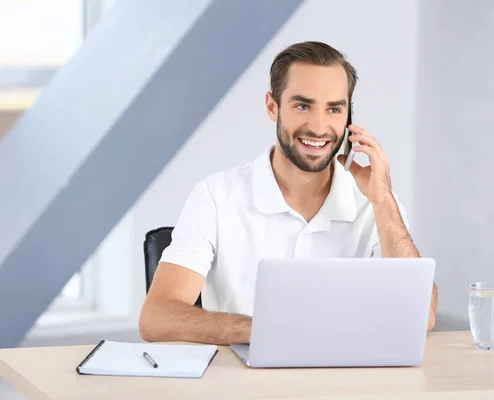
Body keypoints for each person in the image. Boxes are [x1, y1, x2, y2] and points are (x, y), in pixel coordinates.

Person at [139, 41, 437, 345]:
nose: (320, 127)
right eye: (302, 105)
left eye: (334, 109)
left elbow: (422, 315)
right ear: (272, 106)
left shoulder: (374, 202)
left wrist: (383, 199)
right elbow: (157, 318)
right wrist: (270, 330)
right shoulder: (216, 196)